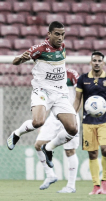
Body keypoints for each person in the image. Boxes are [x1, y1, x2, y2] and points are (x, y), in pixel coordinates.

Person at [6, 21, 78, 168]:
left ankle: (49, 148)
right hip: (42, 91)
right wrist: (21, 59)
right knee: (38, 122)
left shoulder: (62, 47)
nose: (60, 37)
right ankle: (16, 133)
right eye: (57, 34)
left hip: (60, 93)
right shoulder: (40, 49)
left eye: (63, 34)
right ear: (49, 34)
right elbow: (15, 61)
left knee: (73, 129)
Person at [73, 51, 106, 195]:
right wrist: (73, 115)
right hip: (88, 122)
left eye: (99, 60)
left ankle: (105, 181)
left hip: (105, 121)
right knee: (92, 154)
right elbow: (77, 99)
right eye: (94, 60)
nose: (96, 63)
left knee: (105, 149)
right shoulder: (83, 79)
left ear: (103, 63)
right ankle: (96, 185)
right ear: (90, 62)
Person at [35, 67, 80, 193]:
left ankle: (71, 186)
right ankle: (50, 175)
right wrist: (42, 121)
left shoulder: (72, 74)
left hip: (70, 115)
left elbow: (79, 96)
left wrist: (74, 115)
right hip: (54, 117)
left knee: (70, 150)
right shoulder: (48, 75)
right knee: (38, 145)